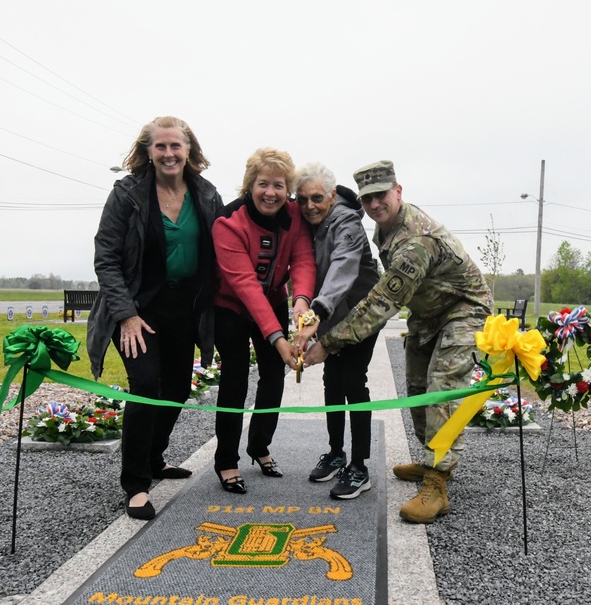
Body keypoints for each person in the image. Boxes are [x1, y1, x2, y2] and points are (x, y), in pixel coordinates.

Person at [303, 160, 492, 523]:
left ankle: (437, 483)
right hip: (429, 314)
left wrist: (328, 343)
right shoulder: (387, 227)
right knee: (418, 388)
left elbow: (381, 303)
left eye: (381, 196)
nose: (374, 205)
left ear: (398, 191)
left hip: (463, 311)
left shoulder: (414, 241)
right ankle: (431, 461)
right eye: (368, 198)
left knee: (441, 388)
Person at [87, 116, 224, 520]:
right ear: (147, 151)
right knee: (146, 386)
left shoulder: (206, 194)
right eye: (160, 147)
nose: (169, 154)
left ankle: (154, 457)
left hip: (184, 309)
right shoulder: (127, 194)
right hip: (138, 309)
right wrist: (125, 315)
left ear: (189, 151)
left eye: (175, 146)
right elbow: (106, 258)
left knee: (179, 387)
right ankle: (136, 483)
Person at [211, 147, 316, 494]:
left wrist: (301, 301)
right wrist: (277, 336)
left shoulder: (294, 216)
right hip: (231, 305)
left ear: (288, 190)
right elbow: (243, 284)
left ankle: (259, 447)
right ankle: (226, 459)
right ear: (249, 185)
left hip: (272, 299)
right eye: (262, 184)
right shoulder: (228, 222)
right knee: (236, 378)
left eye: (278, 185)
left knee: (274, 374)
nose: (270, 193)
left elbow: (302, 260)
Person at [291, 162, 382, 499]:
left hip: (360, 316)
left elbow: (342, 268)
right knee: (332, 381)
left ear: (331, 195)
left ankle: (359, 466)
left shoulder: (348, 223)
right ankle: (335, 453)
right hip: (328, 315)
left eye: (317, 198)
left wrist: (317, 309)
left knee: (353, 382)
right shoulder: (306, 222)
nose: (310, 206)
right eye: (302, 200)